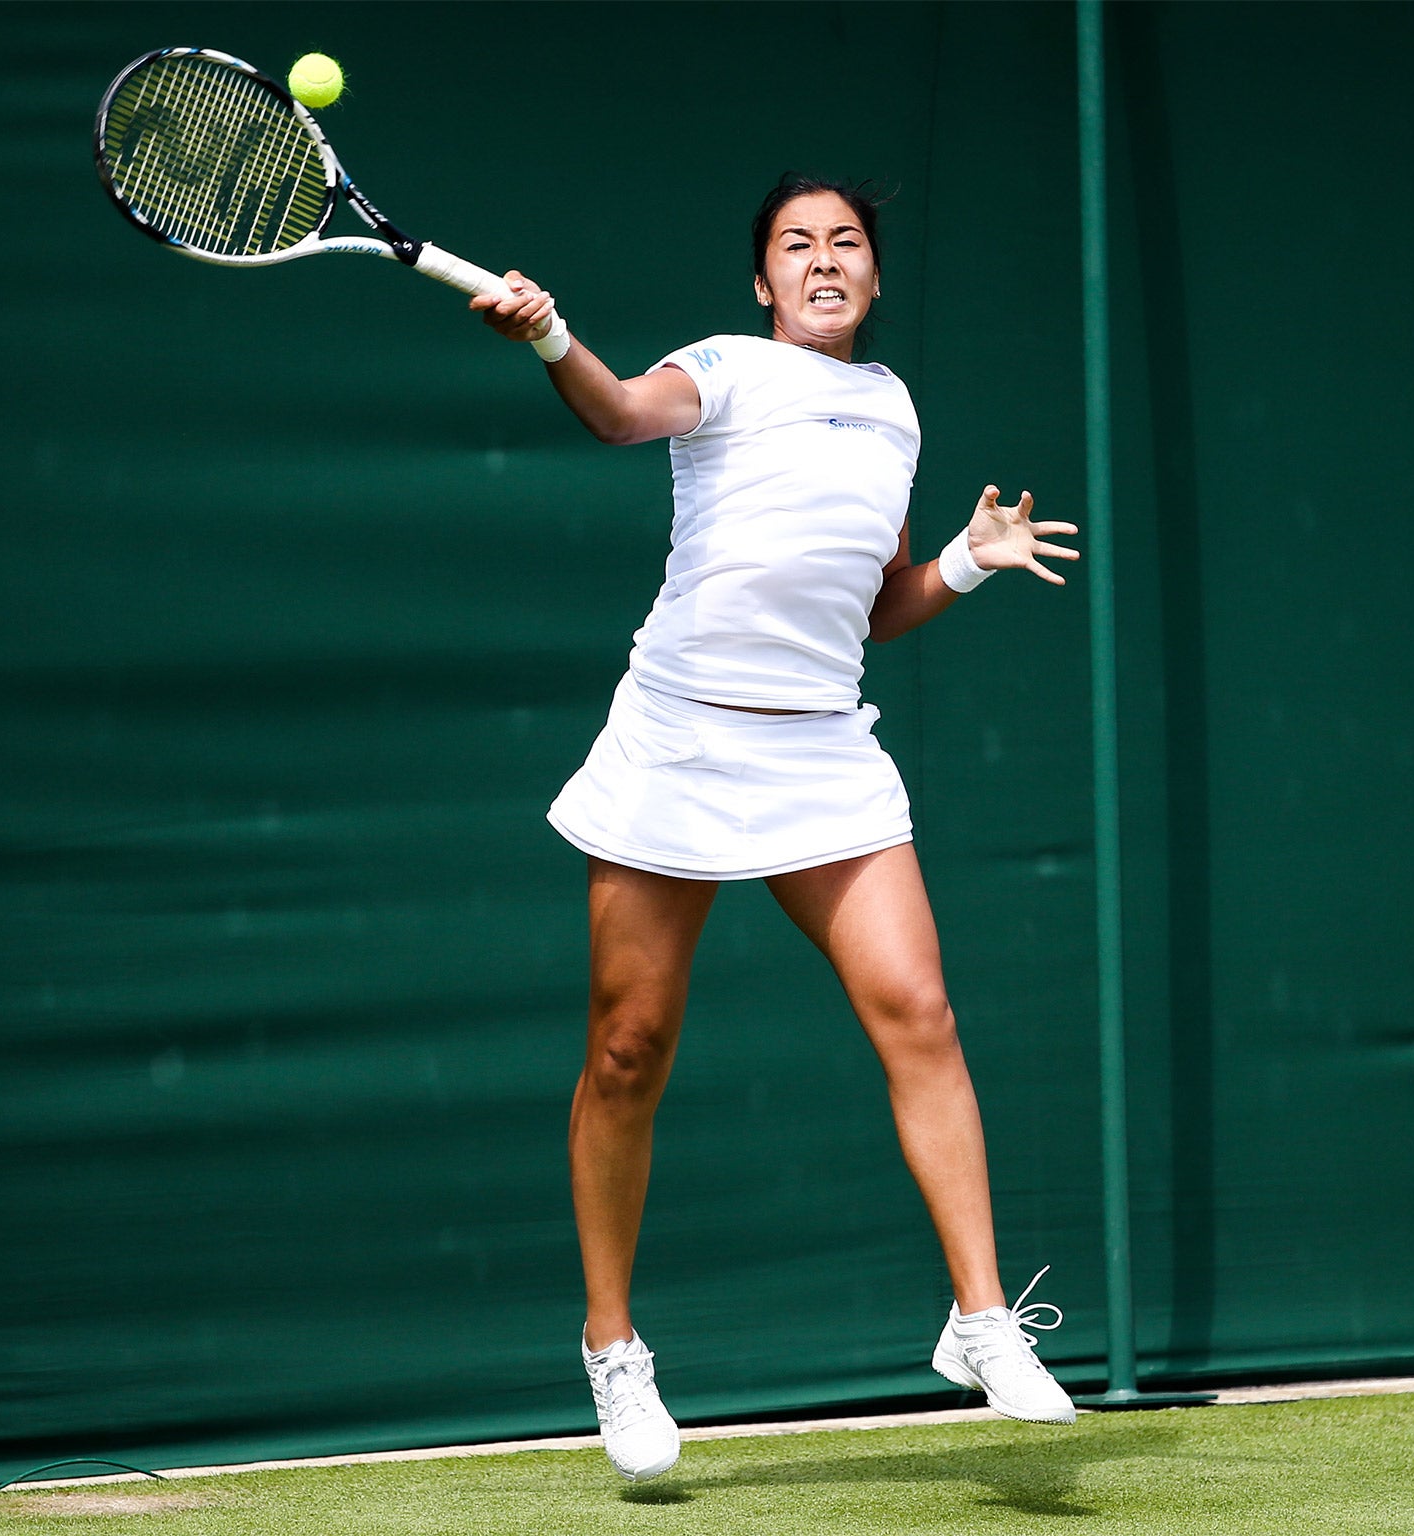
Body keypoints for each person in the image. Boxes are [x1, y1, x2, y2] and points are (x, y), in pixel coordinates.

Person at [472, 174, 1081, 1483]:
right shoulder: (724, 371)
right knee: (628, 1050)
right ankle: (613, 1349)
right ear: (762, 281)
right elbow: (624, 413)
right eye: (796, 244)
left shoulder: (893, 410)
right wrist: (546, 338)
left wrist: (964, 564)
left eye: (846, 243)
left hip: (819, 749)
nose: (822, 260)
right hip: (682, 736)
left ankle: (982, 1323)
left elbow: (869, 608)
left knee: (920, 1011)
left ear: (874, 277)